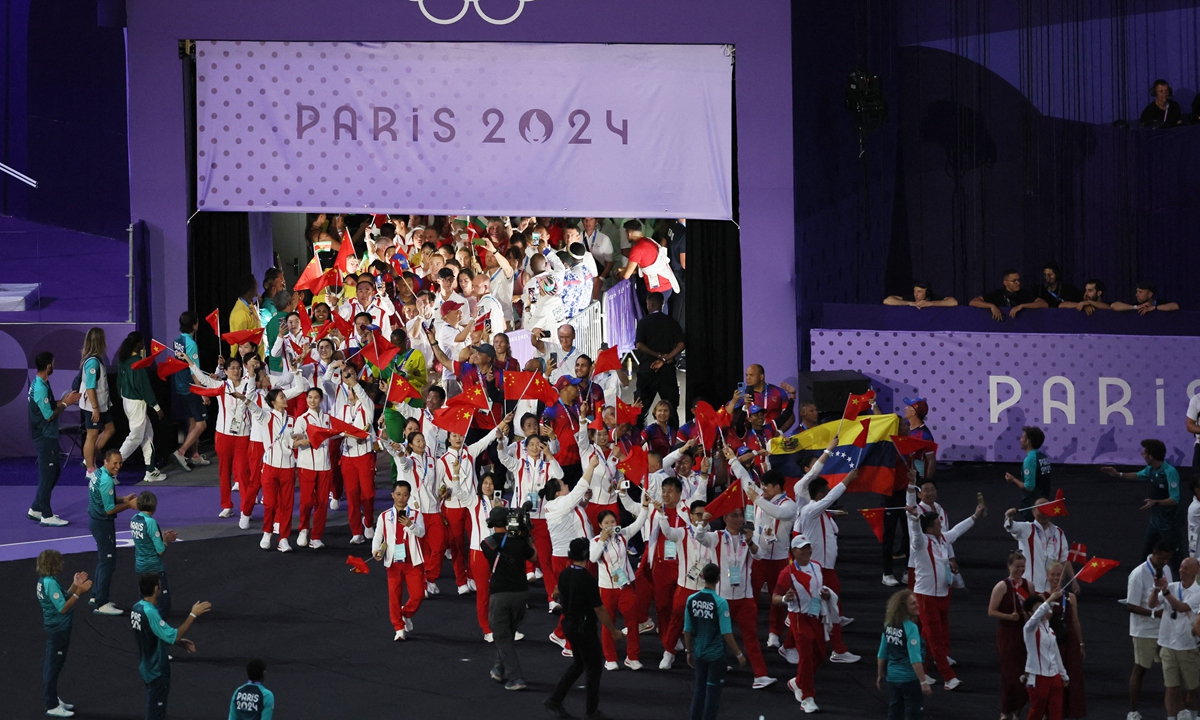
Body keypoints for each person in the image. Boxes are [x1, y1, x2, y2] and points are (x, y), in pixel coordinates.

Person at [906, 482, 985, 690]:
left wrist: (975, 516)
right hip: (926, 597)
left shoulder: (941, 540)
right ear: (930, 528)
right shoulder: (921, 543)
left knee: (931, 636)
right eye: (939, 525)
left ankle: (919, 669)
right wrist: (914, 519)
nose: (942, 527)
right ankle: (948, 678)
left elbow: (958, 530)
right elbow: (915, 534)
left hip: (942, 595)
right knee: (934, 638)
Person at [544, 537, 624, 720]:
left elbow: (555, 593)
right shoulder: (588, 579)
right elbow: (600, 609)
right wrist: (613, 631)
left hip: (568, 625)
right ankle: (591, 711)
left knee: (579, 663)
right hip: (584, 627)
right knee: (594, 667)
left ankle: (556, 699)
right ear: (587, 555)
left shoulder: (565, 573)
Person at [130, 573, 211, 720]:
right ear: (156, 589)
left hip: (146, 665)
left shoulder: (137, 608)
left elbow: (152, 633)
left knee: (154, 706)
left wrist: (179, 643)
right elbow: (175, 634)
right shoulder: (150, 612)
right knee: (156, 711)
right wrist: (192, 615)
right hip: (157, 669)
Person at [771, 534, 832, 714]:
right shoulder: (787, 573)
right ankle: (807, 697)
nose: (806, 551)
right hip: (799, 618)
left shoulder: (817, 567)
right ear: (793, 552)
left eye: (808, 547)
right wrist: (784, 598)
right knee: (805, 657)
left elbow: (820, 589)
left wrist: (826, 595)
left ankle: (798, 681)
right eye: (802, 548)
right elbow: (774, 599)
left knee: (820, 654)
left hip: (817, 616)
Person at [590, 498, 651, 671]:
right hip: (607, 589)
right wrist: (602, 540)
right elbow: (593, 558)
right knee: (607, 623)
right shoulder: (594, 541)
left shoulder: (623, 535)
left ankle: (632, 657)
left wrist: (645, 507)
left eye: (613, 521)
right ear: (600, 525)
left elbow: (639, 522)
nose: (610, 525)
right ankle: (610, 658)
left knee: (632, 621)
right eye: (606, 523)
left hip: (624, 587)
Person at [481, 506, 536, 691]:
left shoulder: (486, 543)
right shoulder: (520, 541)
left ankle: (516, 677)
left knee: (501, 636)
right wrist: (528, 537)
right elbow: (534, 557)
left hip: (500, 594)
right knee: (508, 633)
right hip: (521, 593)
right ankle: (498, 668)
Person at [1103, 439, 1184, 562]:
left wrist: (1155, 502)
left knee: (1176, 558)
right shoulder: (1150, 469)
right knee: (1146, 555)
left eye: (1144, 453)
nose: (1143, 455)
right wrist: (1118, 474)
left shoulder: (1170, 472)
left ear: (1151, 456)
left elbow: (1174, 499)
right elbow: (1137, 475)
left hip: (1170, 524)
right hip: (1155, 522)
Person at [684, 563, 746, 720]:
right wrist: (738, 653)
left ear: (702, 576)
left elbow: (687, 629)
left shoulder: (691, 599)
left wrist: (689, 651)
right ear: (719, 579)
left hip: (698, 653)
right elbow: (726, 632)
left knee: (698, 690)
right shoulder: (720, 603)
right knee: (712, 693)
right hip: (716, 656)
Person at [27, 352, 82, 527]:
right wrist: (66, 404)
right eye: (53, 362)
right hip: (44, 436)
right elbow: (49, 415)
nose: (55, 364)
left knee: (54, 471)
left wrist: (65, 400)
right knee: (47, 475)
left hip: (47, 435)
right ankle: (46, 514)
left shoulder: (42, 383)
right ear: (49, 365)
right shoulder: (40, 388)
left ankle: (36, 508)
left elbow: (50, 405)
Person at [36, 550, 92, 718]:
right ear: (53, 564)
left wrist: (74, 586)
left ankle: (53, 698)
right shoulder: (50, 583)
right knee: (53, 667)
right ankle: (51, 705)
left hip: (56, 628)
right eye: (60, 561)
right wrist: (79, 592)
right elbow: (63, 608)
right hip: (58, 629)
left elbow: (61, 598)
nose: (63, 563)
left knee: (55, 665)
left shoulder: (46, 580)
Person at [372, 480, 426, 640]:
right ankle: (398, 628)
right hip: (393, 562)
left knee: (418, 594)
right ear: (392, 495)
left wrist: (411, 525)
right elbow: (377, 536)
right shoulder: (385, 516)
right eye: (398, 494)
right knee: (394, 595)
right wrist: (375, 550)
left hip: (413, 561)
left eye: (405, 495)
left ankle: (405, 613)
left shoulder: (416, 515)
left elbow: (421, 533)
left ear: (409, 496)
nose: (401, 498)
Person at [1125, 541, 1174, 720]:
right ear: (1155, 553)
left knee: (1171, 669)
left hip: (1164, 630)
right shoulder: (1138, 574)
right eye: (1163, 558)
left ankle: (1175, 711)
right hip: (1144, 631)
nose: (1165, 562)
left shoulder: (1166, 569)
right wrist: (1155, 614)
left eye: (1168, 559)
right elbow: (1131, 605)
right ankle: (1133, 711)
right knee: (1140, 669)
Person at [88, 449, 139, 616]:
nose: (118, 466)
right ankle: (101, 603)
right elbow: (109, 510)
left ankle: (96, 596)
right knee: (107, 562)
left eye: (120, 462)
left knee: (103, 560)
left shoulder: (98, 474)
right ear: (106, 462)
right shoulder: (107, 481)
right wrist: (129, 505)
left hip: (95, 521)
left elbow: (105, 498)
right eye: (115, 463)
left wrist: (123, 499)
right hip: (103, 524)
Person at [988, 550, 1034, 720]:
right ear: (1009, 566)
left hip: (1024, 636)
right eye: (1017, 566)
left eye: (1023, 567)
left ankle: (1018, 711)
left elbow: (1033, 610)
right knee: (1009, 674)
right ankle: (1004, 710)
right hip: (1007, 635)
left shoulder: (1029, 586)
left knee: (1024, 673)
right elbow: (991, 611)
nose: (1020, 570)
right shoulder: (1002, 586)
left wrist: (1027, 615)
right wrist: (1009, 616)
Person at [1154, 557, 1200, 720]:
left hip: (1187, 646)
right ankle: (1171, 717)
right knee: (1171, 687)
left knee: (1193, 688)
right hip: (1167, 644)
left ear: (1196, 571)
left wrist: (1165, 592)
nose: (1181, 571)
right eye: (1180, 567)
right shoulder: (1172, 587)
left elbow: (1181, 608)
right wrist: (1156, 589)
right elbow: (1152, 604)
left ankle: (1195, 715)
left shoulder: (1198, 593)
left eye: (1186, 568)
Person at [115, 333, 165, 483]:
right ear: (138, 344)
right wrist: (156, 406)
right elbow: (144, 386)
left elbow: (119, 383)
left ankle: (150, 470)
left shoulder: (123, 360)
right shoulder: (137, 362)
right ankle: (110, 470)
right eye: (142, 341)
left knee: (147, 433)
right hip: (136, 403)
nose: (144, 343)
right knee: (135, 437)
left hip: (127, 401)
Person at [877, 589, 931, 720]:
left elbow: (882, 652)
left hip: (892, 678)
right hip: (909, 679)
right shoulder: (911, 628)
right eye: (913, 603)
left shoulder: (888, 625)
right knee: (914, 712)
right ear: (903, 608)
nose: (918, 605)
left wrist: (880, 674)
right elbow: (915, 658)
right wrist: (923, 681)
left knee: (894, 711)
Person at [633, 292, 684, 427]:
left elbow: (639, 345)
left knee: (640, 409)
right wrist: (665, 359)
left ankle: (640, 441)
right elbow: (681, 344)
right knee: (671, 409)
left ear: (649, 303)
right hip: (667, 370)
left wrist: (657, 356)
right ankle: (673, 442)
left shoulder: (643, 322)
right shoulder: (671, 322)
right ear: (663, 303)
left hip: (647, 370)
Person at [1045, 562, 1087, 719]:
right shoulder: (1041, 596)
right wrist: (1050, 599)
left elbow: (1075, 621)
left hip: (1069, 643)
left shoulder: (1070, 597)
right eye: (1053, 575)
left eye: (1059, 575)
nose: (1056, 578)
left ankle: (1069, 712)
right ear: (1047, 576)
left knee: (1072, 679)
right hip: (1050, 645)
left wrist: (1081, 643)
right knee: (1052, 681)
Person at [170, 312, 211, 472]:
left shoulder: (177, 340)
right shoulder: (191, 344)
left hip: (180, 387)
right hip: (191, 388)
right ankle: (180, 452)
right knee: (201, 424)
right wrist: (203, 392)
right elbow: (194, 370)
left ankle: (194, 455)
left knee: (193, 423)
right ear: (195, 325)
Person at [1004, 501, 1072, 593]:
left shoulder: (1059, 533)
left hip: (1050, 592)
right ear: (1033, 511)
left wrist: (1074, 580)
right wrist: (1009, 516)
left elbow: (1064, 559)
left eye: (1046, 511)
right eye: (1041, 511)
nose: (1044, 515)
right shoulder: (1027, 529)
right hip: (1029, 589)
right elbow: (1011, 527)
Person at [1022, 589, 1069, 720]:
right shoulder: (1029, 629)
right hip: (1037, 675)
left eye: (1042, 608)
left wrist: (1063, 674)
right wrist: (1048, 601)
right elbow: (1037, 617)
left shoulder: (1050, 631)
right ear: (1030, 613)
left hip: (1054, 675)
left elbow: (1056, 654)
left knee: (1056, 710)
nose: (1042, 611)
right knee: (1037, 709)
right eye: (1037, 609)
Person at [130, 492, 177, 615]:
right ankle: (158, 629)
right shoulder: (150, 522)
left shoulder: (134, 519)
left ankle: (144, 623)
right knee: (163, 604)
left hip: (140, 566)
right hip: (154, 567)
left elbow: (145, 539)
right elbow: (160, 550)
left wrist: (160, 537)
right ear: (154, 506)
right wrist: (166, 540)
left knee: (144, 599)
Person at [79, 327, 116, 478]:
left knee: (110, 429)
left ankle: (89, 457)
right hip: (93, 406)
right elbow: (90, 387)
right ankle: (90, 469)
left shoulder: (97, 359)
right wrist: (95, 408)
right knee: (91, 435)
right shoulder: (92, 363)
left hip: (102, 404)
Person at [1004, 426, 1050, 521]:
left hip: (1031, 506)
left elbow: (1029, 487)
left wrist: (1013, 480)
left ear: (1028, 441)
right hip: (1044, 502)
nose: (1020, 440)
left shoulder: (1029, 460)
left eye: (1022, 437)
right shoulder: (1044, 457)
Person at [969, 269, 1047, 321]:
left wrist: (1022, 306)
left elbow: (1044, 304)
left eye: (1019, 280)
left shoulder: (1024, 293)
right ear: (1005, 282)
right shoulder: (998, 294)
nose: (1018, 283)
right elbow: (973, 302)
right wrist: (991, 306)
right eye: (1014, 281)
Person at [1111, 282, 1180, 314]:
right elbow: (1114, 305)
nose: (1136, 295)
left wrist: (1154, 308)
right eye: (1137, 292)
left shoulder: (1160, 303)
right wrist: (1135, 307)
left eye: (1140, 292)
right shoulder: (1136, 305)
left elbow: (1175, 306)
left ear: (1149, 294)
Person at [883, 280, 958, 309]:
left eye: (919, 292)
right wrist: (910, 303)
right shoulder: (912, 298)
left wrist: (930, 304)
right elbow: (888, 300)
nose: (916, 294)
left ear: (927, 292)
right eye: (915, 291)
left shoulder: (933, 297)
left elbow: (953, 302)